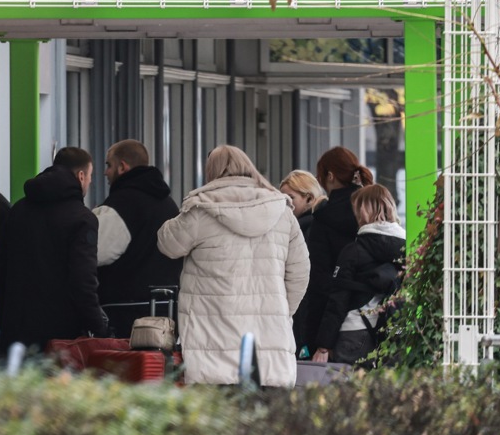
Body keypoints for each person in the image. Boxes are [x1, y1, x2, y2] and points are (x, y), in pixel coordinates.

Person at [156, 145, 310, 387]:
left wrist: (186, 207)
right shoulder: (282, 211)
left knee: (217, 411)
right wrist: (279, 311)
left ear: (211, 172)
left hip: (212, 350)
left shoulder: (200, 210)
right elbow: (300, 272)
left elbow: (167, 244)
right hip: (269, 352)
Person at [0, 147, 109, 351]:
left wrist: (9, 309)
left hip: (16, 332)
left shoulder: (19, 210)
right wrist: (98, 327)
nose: (89, 182)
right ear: (81, 176)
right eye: (90, 177)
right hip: (62, 338)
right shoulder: (82, 219)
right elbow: (83, 281)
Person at [93, 139, 183, 337]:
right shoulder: (169, 204)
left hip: (126, 317)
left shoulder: (122, 204)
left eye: (109, 165)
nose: (105, 172)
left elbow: (95, 252)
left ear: (122, 167)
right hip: (166, 313)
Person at [312, 184, 405, 366]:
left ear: (363, 211)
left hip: (354, 333)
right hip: (392, 333)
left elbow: (338, 301)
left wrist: (323, 345)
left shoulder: (353, 251)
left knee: (347, 385)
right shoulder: (406, 248)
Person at [293, 147, 374, 356]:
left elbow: (319, 283)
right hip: (375, 319)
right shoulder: (373, 211)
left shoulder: (323, 219)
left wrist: (314, 340)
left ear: (330, 176)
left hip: (336, 328)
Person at [279, 169, 327, 240]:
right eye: (281, 199)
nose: (284, 203)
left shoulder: (309, 229)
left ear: (309, 199)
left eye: (290, 197)